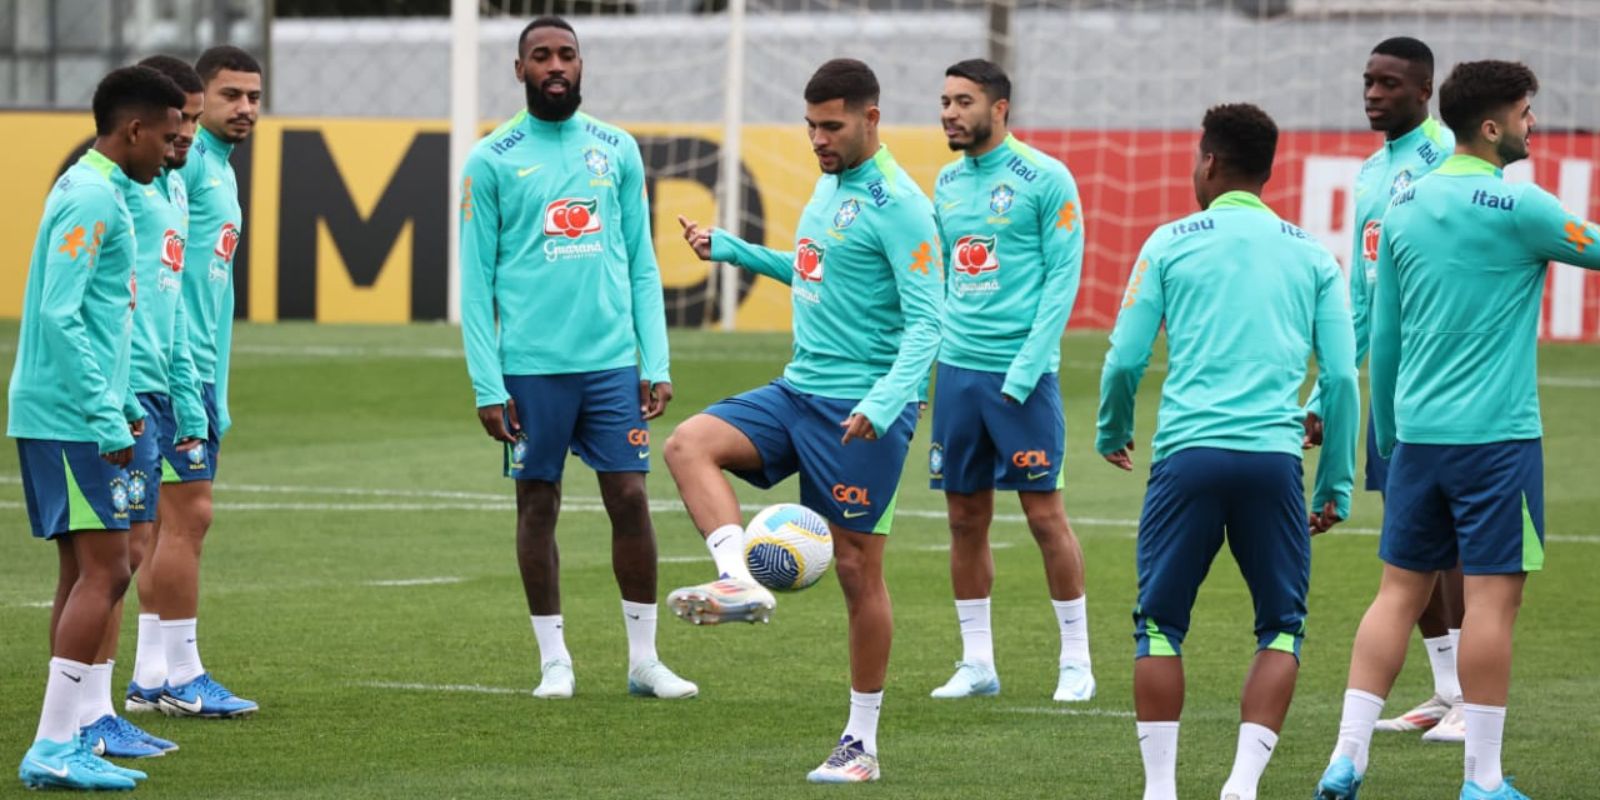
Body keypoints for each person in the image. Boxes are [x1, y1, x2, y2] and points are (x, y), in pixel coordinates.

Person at [1315, 60, 1600, 800]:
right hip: (1498, 442)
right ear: (1493, 125)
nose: (1534, 125)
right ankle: (1483, 777)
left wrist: (1387, 440)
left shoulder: (1401, 209)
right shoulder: (1521, 206)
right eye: (1527, 112)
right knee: (1492, 603)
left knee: (1396, 595)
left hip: (1416, 439)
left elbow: (1385, 336)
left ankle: (1346, 758)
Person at [668, 58, 943, 783]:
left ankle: (861, 744)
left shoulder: (902, 204)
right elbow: (817, 268)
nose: (818, 139)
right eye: (811, 125)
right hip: (798, 391)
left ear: (870, 119)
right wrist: (733, 251)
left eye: (832, 125)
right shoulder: (830, 187)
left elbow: (928, 324)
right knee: (688, 445)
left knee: (856, 571)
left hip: (862, 411)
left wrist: (882, 404)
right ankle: (739, 580)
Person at [1097, 104, 1358, 800]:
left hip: (1187, 456)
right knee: (1280, 627)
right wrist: (1335, 484)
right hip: (1273, 461)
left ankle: (1160, 790)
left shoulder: (1168, 242)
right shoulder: (1311, 255)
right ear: (1267, 171)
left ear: (1209, 162)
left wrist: (1111, 427)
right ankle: (1241, 787)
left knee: (1159, 625)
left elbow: (1124, 358)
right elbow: (1338, 380)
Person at [459, 16, 693, 701]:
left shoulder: (616, 149)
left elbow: (642, 264)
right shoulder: (492, 158)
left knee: (630, 497)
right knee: (538, 505)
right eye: (541, 56)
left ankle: (644, 660)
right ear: (520, 69)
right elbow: (476, 284)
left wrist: (657, 360)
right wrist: (485, 381)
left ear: (582, 65)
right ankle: (554, 659)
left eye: (566, 54)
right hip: (531, 368)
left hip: (612, 363)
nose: (555, 65)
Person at [12, 64, 184, 791]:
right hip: (71, 415)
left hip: (73, 408)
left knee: (86, 570)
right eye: (169, 138)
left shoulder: (104, 189)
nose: (174, 151)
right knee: (110, 569)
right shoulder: (93, 198)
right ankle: (52, 742)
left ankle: (77, 726)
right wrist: (105, 409)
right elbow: (58, 313)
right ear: (134, 130)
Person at [1303, 36, 1466, 742]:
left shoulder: (1451, 161)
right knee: (1410, 538)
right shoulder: (1373, 173)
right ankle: (1448, 688)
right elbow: (1364, 302)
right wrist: (1322, 396)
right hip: (1391, 394)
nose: (1372, 93)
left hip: (1452, 388)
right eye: (1368, 81)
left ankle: (1474, 700)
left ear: (1424, 89)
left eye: (1389, 83)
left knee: (1455, 545)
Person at [925, 57, 1094, 703]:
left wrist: (1025, 370)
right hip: (959, 374)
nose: (949, 112)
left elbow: (1062, 279)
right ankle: (976, 663)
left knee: (1045, 517)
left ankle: (1076, 661)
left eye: (962, 101)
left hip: (1021, 378)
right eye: (944, 101)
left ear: (998, 108)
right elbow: (940, 276)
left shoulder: (1045, 178)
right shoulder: (944, 181)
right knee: (964, 519)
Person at [76, 54, 207, 760]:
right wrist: (117, 400)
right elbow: (82, 310)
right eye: (176, 122)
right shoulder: (111, 189)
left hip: (152, 384)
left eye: (189, 121)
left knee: (123, 553)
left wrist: (184, 392)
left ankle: (112, 701)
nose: (183, 135)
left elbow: (170, 303)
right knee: (108, 561)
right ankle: (90, 711)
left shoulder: (167, 187)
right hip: (118, 391)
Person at [135, 45, 263, 720]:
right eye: (230, 96)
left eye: (254, 97)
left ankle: (151, 672)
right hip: (174, 374)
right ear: (193, 99)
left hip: (192, 372)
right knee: (188, 518)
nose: (244, 108)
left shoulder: (211, 172)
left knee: (160, 529)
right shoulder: (184, 172)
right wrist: (194, 390)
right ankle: (181, 673)